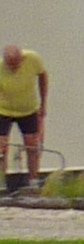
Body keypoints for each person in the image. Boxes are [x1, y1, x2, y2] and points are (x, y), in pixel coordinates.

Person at [0, 43, 40, 194]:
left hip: (27, 109)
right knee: (1, 146)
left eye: (15, 64)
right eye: (9, 65)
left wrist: (43, 105)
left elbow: (43, 76)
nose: (12, 68)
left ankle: (33, 181)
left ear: (21, 59)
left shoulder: (33, 59)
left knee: (32, 145)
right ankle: (2, 183)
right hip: (4, 110)